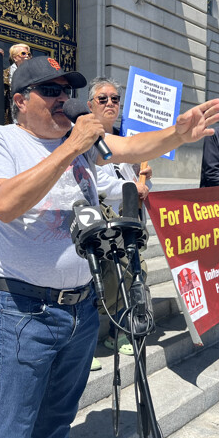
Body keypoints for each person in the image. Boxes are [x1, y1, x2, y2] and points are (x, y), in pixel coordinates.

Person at [0, 56, 219, 438]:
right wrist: (71, 147)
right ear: (20, 100)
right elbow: (4, 204)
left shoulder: (85, 144)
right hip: (27, 310)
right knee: (12, 430)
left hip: (84, 309)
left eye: (67, 91)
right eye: (51, 90)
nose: (63, 99)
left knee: (57, 421)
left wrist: (177, 134)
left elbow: (131, 146)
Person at [86, 77, 152, 369]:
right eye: (103, 99)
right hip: (100, 222)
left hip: (126, 222)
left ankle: (119, 332)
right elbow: (96, 185)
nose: (110, 103)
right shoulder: (86, 140)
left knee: (134, 272)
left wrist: (143, 175)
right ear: (90, 105)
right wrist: (132, 187)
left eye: (115, 98)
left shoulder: (125, 143)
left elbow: (137, 187)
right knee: (102, 279)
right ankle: (85, 343)